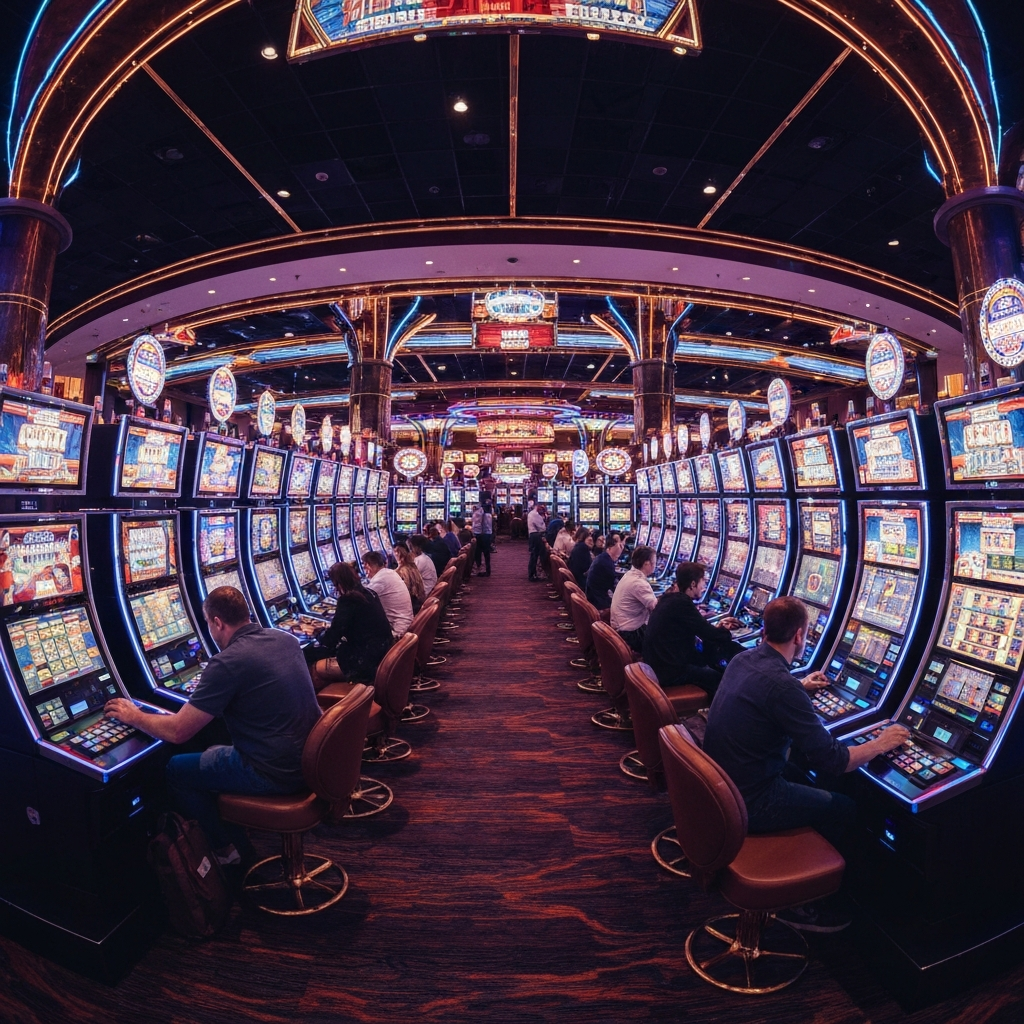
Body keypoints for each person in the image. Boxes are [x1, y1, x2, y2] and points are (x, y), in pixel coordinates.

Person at [703, 596, 910, 932]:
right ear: (799, 636)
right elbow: (834, 761)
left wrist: (799, 687)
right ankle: (802, 901)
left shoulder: (744, 659)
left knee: (802, 774)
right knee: (843, 806)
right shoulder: (782, 687)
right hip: (751, 802)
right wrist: (881, 742)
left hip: (722, 786)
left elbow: (767, 692)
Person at [103, 586, 321, 867]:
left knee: (176, 769)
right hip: (309, 760)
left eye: (207, 624)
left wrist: (133, 716)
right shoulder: (285, 639)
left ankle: (228, 852)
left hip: (273, 772)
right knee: (215, 748)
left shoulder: (228, 662)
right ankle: (235, 836)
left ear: (217, 622)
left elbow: (178, 732)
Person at [641, 561, 743, 700]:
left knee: (706, 660)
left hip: (658, 664)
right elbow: (709, 634)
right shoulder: (681, 604)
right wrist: (724, 629)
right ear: (693, 584)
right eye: (703, 582)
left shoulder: (669, 599)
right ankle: (716, 718)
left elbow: (700, 628)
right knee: (718, 678)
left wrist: (716, 627)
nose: (705, 587)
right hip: (668, 671)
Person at [309, 562, 395, 688]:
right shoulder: (368, 593)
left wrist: (316, 632)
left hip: (365, 662)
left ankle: (341, 702)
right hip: (383, 651)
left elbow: (330, 640)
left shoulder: (348, 600)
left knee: (315, 667)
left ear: (338, 583)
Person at [610, 545, 658, 653]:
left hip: (622, 627)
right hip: (629, 633)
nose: (655, 566)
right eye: (654, 563)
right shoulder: (639, 583)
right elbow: (656, 610)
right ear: (646, 563)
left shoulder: (629, 574)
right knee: (665, 640)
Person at [363, 550, 414, 637]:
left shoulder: (379, 580)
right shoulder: (390, 573)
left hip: (398, 631)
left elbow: (362, 602)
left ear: (367, 565)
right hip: (407, 623)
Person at [585, 532, 624, 612]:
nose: (621, 546)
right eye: (618, 543)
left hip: (594, 598)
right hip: (598, 603)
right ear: (611, 546)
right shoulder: (606, 563)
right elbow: (617, 590)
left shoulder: (603, 558)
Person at [393, 541, 426, 612]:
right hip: (419, 603)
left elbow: (403, 595)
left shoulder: (402, 571)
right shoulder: (412, 565)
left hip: (411, 608)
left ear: (397, 553)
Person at [527, 503, 547, 581]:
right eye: (542, 507)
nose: (542, 509)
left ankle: (533, 574)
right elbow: (542, 528)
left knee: (534, 556)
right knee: (535, 556)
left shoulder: (532, 513)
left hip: (533, 535)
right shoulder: (535, 514)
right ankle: (532, 575)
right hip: (536, 535)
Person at [473, 503, 493, 576]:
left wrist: (475, 533)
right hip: (488, 534)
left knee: (478, 553)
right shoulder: (489, 514)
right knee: (486, 554)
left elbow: (478, 525)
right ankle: (487, 570)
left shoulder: (480, 513)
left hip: (481, 535)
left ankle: (480, 569)